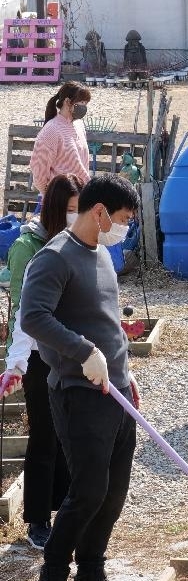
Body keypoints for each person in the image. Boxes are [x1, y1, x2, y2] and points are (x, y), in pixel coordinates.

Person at [19, 173, 144, 581]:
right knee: (87, 491)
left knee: (112, 493)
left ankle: (92, 579)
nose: (124, 228)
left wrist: (126, 376)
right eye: (124, 219)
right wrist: (82, 350)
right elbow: (33, 317)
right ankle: (51, 578)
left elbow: (106, 321)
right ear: (99, 212)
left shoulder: (103, 256)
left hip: (115, 392)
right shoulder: (55, 258)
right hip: (78, 391)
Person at [2, 174, 80, 551]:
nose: (74, 217)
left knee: (68, 434)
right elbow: (22, 311)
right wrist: (14, 363)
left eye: (77, 211)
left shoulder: (75, 245)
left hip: (69, 353)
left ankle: (62, 508)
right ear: (53, 209)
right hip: (37, 355)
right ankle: (36, 519)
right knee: (44, 437)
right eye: (69, 210)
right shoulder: (28, 247)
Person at [30, 81, 92, 194]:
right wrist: (51, 197)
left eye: (86, 103)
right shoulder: (51, 130)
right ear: (68, 102)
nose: (84, 107)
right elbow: (39, 172)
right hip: (61, 200)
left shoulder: (79, 125)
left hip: (82, 197)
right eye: (81, 102)